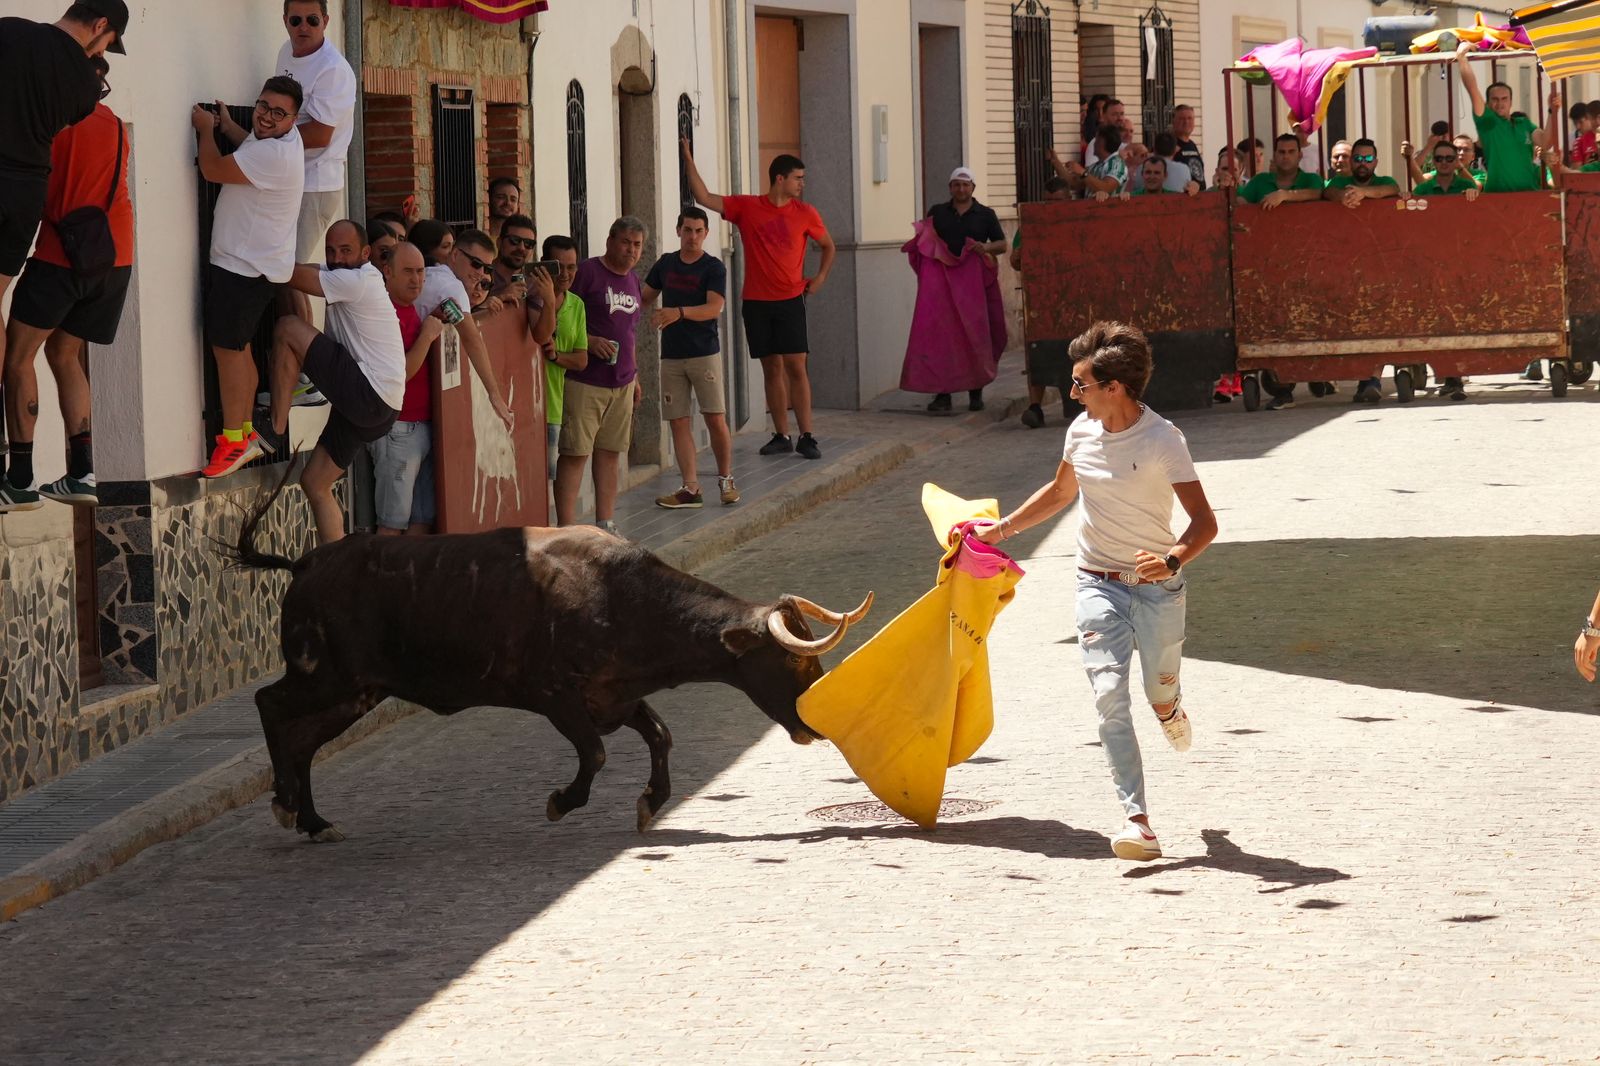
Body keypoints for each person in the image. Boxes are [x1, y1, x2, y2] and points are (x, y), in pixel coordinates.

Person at [970, 320, 1216, 862]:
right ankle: (1138, 822)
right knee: (1108, 697)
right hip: (1096, 582)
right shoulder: (1080, 431)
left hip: (1157, 590)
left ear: (1115, 387)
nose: (1073, 392)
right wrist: (1000, 531)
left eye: (1081, 384)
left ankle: (1169, 706)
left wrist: (1172, 558)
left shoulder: (1161, 439)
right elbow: (1060, 493)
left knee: (1156, 689)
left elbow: (1204, 523)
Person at [0, 54, 129, 511]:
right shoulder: (113, 124)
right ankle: (82, 472)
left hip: (59, 258)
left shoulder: (49, 125)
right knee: (65, 353)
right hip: (114, 259)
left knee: (18, 359)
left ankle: (19, 479)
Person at [682, 138, 835, 460]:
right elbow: (704, 197)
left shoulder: (806, 213)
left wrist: (819, 278)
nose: (802, 184)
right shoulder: (748, 207)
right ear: (780, 178)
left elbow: (828, 246)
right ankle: (781, 434)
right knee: (771, 367)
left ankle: (807, 435)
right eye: (798, 178)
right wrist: (687, 158)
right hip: (756, 301)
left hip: (791, 298)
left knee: (797, 365)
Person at [254, 221, 404, 544]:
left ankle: (274, 429)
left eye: (346, 251)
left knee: (287, 328)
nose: (337, 258)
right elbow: (299, 273)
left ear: (365, 253)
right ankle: (337, 571)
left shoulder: (359, 280)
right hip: (382, 407)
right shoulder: (347, 273)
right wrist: (282, 267)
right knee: (315, 483)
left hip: (368, 393)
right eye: (331, 251)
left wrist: (253, 254)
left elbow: (293, 275)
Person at [192, 75, 305, 478]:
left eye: (279, 113)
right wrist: (229, 127)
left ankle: (233, 442)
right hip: (253, 267)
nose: (267, 117)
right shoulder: (279, 143)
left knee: (228, 353)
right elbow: (251, 146)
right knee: (238, 350)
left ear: (294, 119)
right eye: (263, 107)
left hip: (243, 267)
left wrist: (206, 130)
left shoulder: (275, 154)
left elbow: (211, 168)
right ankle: (243, 435)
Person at [555, 216, 647, 532]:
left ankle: (605, 524)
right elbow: (564, 313)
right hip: (584, 382)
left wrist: (634, 376)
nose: (630, 250)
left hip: (621, 384)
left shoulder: (634, 281)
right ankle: (567, 528)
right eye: (625, 242)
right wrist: (589, 342)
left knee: (609, 454)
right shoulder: (587, 273)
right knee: (575, 453)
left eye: (637, 245)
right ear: (609, 240)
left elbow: (630, 331)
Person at [643, 207, 739, 509]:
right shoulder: (666, 264)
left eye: (698, 231)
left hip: (704, 352)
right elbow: (643, 295)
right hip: (671, 355)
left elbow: (715, 308)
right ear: (678, 231)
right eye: (687, 230)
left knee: (714, 417)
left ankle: (725, 479)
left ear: (706, 234)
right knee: (678, 421)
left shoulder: (713, 267)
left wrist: (678, 312)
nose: (692, 237)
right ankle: (690, 488)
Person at [906, 167, 1007, 413]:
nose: (961, 189)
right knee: (943, 337)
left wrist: (985, 248)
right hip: (943, 289)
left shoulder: (985, 214)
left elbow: (1002, 244)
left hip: (972, 287)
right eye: (956, 185)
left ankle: (976, 391)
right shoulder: (938, 213)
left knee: (975, 333)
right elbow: (924, 240)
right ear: (950, 188)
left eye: (965, 185)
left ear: (973, 187)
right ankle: (943, 394)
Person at [405, 219, 516, 433]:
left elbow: (461, 322)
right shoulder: (451, 286)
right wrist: (494, 395)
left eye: (486, 268)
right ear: (455, 255)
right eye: (476, 263)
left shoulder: (434, 273)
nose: (481, 273)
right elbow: (471, 338)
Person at [365, 240, 444, 535]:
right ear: (387, 272)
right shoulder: (386, 313)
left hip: (422, 427)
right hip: (398, 430)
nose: (417, 279)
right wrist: (427, 336)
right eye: (408, 271)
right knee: (391, 526)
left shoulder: (411, 308)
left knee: (421, 521)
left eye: (421, 272)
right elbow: (401, 375)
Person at [275, 0, 355, 271]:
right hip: (288, 175)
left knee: (290, 271)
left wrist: (265, 139)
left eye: (313, 20)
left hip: (316, 183)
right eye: (296, 20)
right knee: (279, 267)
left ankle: (299, 317)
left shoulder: (334, 69)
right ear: (285, 20)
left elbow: (320, 135)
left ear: (326, 21)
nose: (304, 27)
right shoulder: (286, 52)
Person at [1012, 176, 1073, 430]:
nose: (1052, 206)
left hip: (1075, 298)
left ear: (1068, 200)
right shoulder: (1032, 222)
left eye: (1057, 201)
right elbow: (1015, 262)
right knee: (1038, 350)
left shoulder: (1078, 219)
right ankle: (1035, 407)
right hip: (1043, 300)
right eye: (1048, 201)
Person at [1458, 41, 1555, 193]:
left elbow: (1545, 143)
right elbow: (1472, 88)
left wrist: (1552, 111)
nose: (1500, 103)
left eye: (1504, 99)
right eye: (1495, 99)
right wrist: (1461, 58)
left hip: (1529, 195)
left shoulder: (1523, 123)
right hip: (1498, 197)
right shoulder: (1487, 122)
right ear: (1488, 103)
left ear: (1511, 102)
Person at [537, 235, 586, 482]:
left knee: (544, 484)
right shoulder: (529, 296)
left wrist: (556, 355)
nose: (565, 274)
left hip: (554, 408)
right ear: (544, 264)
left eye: (572, 267)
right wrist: (546, 299)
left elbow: (581, 360)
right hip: (525, 408)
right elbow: (538, 333)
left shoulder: (576, 305)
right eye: (558, 266)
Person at [1084, 125, 1127, 199]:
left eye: (1096, 140)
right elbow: (1074, 183)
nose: (1094, 144)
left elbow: (1106, 188)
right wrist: (1056, 161)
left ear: (1102, 142)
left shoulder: (1117, 164)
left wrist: (1082, 173)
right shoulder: (1095, 166)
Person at [1169, 104, 1205, 188]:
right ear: (1173, 121)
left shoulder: (1192, 144)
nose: (1186, 122)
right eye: (1182, 119)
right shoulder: (1169, 144)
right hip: (1181, 197)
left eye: (1190, 118)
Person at [1085, 99, 1126, 166]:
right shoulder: (1097, 144)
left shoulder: (1125, 143)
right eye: (1114, 114)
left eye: (1122, 114)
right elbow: (1091, 174)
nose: (1120, 118)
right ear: (1103, 116)